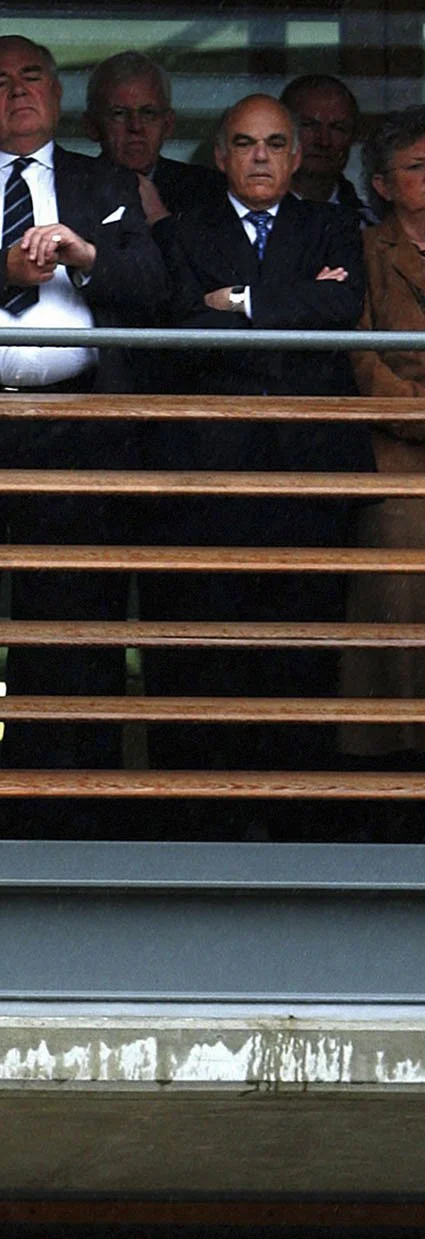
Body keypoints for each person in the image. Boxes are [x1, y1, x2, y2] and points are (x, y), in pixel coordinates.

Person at [0, 34, 167, 795]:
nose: (17, 92)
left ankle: (58, 813)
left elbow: (154, 285)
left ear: (57, 98)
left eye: (31, 79)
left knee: (67, 627)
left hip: (76, 431)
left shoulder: (105, 181)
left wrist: (85, 256)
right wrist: (1, 268)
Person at [147, 96, 367, 809]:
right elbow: (176, 323)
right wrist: (290, 299)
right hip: (213, 467)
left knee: (302, 641)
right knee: (212, 641)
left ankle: (295, 806)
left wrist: (237, 302)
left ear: (298, 157)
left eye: (276, 143)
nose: (262, 157)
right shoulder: (183, 231)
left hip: (310, 468)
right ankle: (207, 810)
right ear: (220, 157)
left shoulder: (333, 224)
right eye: (245, 144)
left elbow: (339, 308)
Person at [340, 107, 425, 767]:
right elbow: (359, 358)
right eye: (417, 168)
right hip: (395, 456)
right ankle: (386, 768)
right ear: (382, 186)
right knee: (394, 568)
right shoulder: (361, 251)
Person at [84, 50, 222, 224]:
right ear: (91, 126)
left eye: (148, 113)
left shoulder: (206, 190)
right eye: (119, 114)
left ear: (168, 124)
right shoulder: (70, 189)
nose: (135, 126)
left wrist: (160, 220)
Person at [280, 73, 373, 222]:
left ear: (352, 136)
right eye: (309, 125)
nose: (323, 141)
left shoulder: (370, 226)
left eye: (337, 128)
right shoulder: (247, 218)